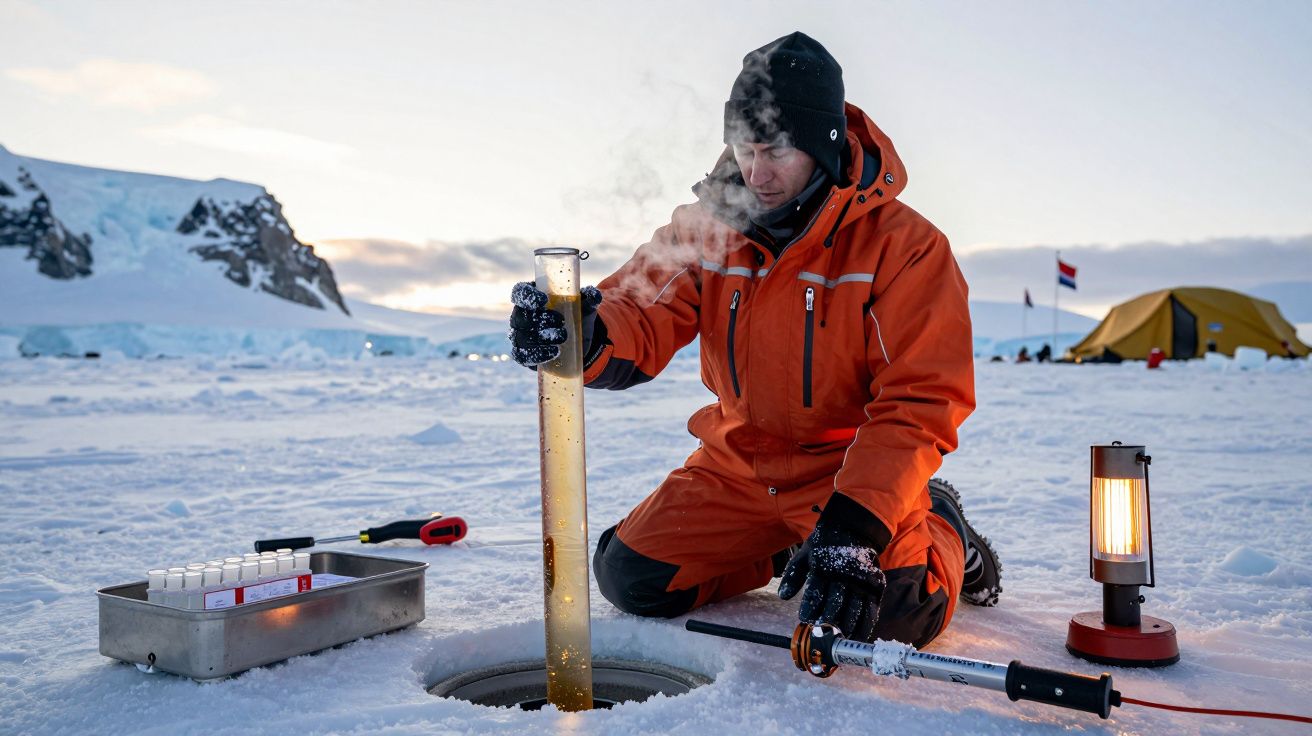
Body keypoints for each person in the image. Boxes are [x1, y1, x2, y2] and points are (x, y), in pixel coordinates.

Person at [509, 32, 1000, 647]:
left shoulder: (905, 248)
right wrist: (583, 332)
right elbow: (640, 307)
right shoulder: (708, 228)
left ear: (822, 145)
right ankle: (784, 548)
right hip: (738, 466)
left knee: (893, 615)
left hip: (844, 471)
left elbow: (922, 401)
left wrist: (856, 527)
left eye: (776, 151)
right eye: (744, 149)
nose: (756, 173)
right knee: (630, 578)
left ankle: (943, 525)